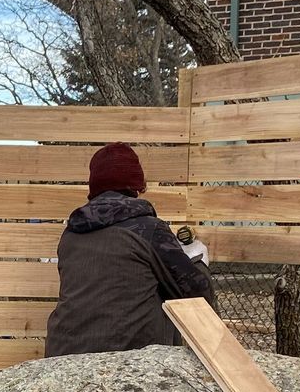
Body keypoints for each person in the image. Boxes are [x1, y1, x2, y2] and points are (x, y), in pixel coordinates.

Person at [44, 142, 216, 357]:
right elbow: (197, 294)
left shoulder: (71, 234)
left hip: (62, 355)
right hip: (128, 359)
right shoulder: (149, 229)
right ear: (137, 185)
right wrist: (198, 260)